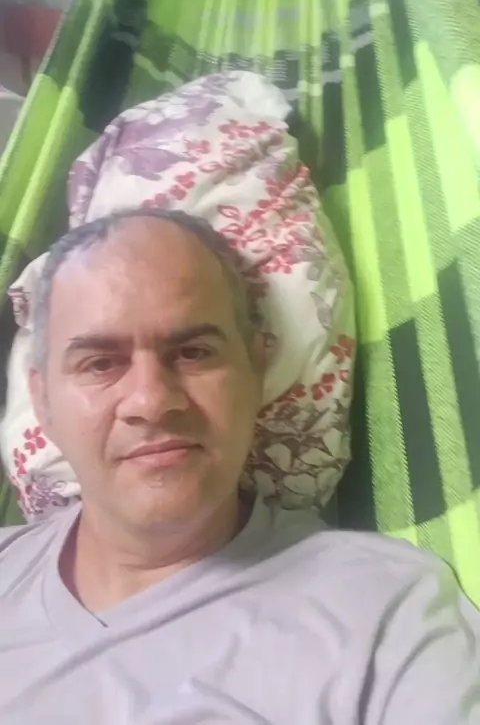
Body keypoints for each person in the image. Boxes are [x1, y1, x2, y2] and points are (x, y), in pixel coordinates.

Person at [0, 208, 479, 725]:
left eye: (193, 352)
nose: (152, 401)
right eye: (100, 363)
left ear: (257, 367)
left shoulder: (390, 616)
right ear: (43, 400)